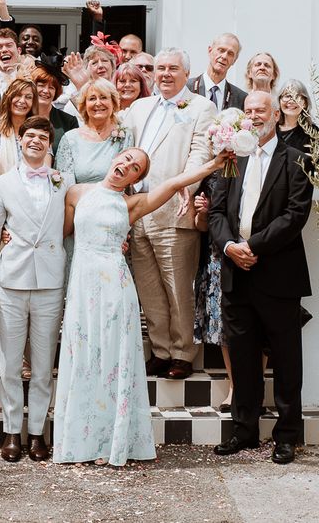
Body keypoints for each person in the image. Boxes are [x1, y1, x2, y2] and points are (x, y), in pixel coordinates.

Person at [54, 146, 231, 466]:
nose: (127, 165)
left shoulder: (131, 204)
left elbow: (175, 182)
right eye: (125, 158)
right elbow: (61, 232)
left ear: (137, 178)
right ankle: (83, 439)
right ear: (115, 158)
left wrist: (213, 165)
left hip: (115, 290)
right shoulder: (76, 193)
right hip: (82, 288)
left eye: (135, 166)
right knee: (83, 358)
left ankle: (113, 440)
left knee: (111, 361)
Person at [209, 91, 313, 465]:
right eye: (248, 110)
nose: (253, 115)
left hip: (278, 273)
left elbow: (295, 214)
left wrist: (253, 245)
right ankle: (244, 430)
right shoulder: (230, 160)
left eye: (260, 110)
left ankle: (287, 436)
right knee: (243, 355)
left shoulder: (296, 160)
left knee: (287, 360)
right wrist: (229, 247)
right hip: (236, 273)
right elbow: (218, 212)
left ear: (275, 115)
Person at [0, 117, 67, 463]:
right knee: (11, 363)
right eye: (30, 136)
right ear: (20, 141)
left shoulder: (64, 182)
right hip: (11, 281)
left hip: (51, 282)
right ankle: (12, 431)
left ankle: (38, 433)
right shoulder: (1, 185)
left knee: (43, 365)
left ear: (50, 145)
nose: (36, 142)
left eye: (43, 137)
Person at [122, 48, 216, 380]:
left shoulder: (201, 107)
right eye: (160, 68)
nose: (164, 74)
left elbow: (200, 153)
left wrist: (185, 187)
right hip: (138, 211)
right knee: (149, 289)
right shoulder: (138, 107)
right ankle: (161, 350)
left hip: (175, 211)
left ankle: (182, 353)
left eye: (172, 68)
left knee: (178, 287)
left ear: (185, 73)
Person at [192, 174, 233, 410]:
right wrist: (204, 211)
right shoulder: (211, 178)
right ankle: (234, 386)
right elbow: (201, 226)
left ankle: (254, 386)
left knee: (257, 325)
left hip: (253, 247)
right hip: (218, 257)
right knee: (224, 326)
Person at [55, 78, 133, 187]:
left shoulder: (125, 135)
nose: (98, 103)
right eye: (92, 99)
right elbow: (64, 184)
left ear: (113, 102)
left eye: (103, 97)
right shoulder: (70, 138)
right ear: (84, 105)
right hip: (78, 201)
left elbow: (126, 180)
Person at [0, 77, 39, 175]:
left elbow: (45, 167)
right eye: (18, 95)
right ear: (9, 98)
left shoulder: (39, 130)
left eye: (28, 97)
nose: (22, 101)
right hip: (1, 187)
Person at [187, 33, 247, 111]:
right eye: (221, 50)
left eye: (230, 54)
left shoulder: (240, 98)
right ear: (210, 50)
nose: (224, 56)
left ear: (234, 60)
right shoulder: (186, 88)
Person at [31, 64, 78, 155]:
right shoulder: (21, 116)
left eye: (51, 87)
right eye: (41, 85)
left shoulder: (69, 121)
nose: (46, 91)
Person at [277, 79, 314, 153]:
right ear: (279, 100)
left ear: (305, 103)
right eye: (287, 96)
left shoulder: (313, 133)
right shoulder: (270, 129)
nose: (291, 101)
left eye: (297, 97)